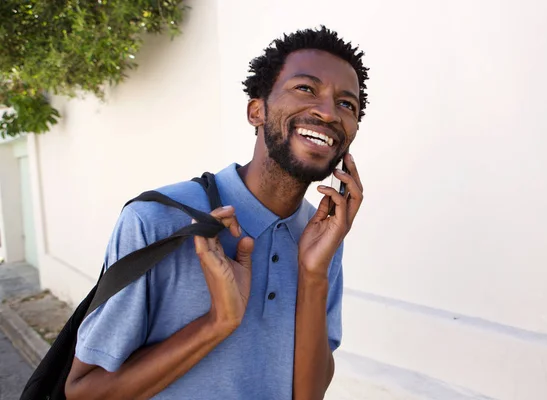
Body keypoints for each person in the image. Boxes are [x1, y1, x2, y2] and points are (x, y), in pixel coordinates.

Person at [65, 25, 369, 400]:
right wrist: (218, 322)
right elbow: (83, 392)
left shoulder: (324, 237)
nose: (327, 112)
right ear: (256, 110)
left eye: (347, 104)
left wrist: (312, 273)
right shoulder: (156, 220)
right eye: (306, 88)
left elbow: (307, 395)